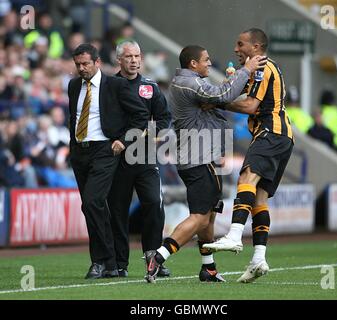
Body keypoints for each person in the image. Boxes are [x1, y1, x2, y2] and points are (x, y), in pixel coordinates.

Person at [144, 44, 266, 283]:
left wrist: (225, 88)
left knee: (208, 216)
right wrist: (246, 70)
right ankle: (158, 257)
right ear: (193, 64)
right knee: (200, 217)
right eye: (206, 60)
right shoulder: (190, 83)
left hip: (197, 159)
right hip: (199, 160)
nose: (210, 63)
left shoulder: (186, 84)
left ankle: (208, 268)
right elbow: (223, 96)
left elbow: (217, 96)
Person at [204, 28, 294, 284]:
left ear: (256, 47)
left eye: (240, 43)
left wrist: (218, 102)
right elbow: (245, 97)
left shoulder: (264, 68)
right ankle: (258, 258)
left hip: (271, 132)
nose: (236, 48)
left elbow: (251, 106)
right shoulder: (259, 70)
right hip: (281, 136)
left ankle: (234, 235)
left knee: (246, 177)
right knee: (259, 199)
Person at [68, 43, 147, 279]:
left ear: (97, 62)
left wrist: (123, 140)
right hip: (79, 151)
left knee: (92, 202)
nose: (81, 68)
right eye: (78, 65)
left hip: (104, 150)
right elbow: (73, 116)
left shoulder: (115, 85)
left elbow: (141, 115)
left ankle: (100, 261)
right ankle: (110, 263)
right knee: (91, 206)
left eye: (85, 64)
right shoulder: (73, 86)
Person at [107, 40, 172, 278]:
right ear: (119, 60)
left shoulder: (150, 87)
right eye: (128, 57)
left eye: (137, 56)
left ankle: (154, 259)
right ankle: (118, 263)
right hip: (117, 158)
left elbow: (164, 118)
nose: (134, 61)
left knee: (154, 203)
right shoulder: (109, 86)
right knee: (117, 210)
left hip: (144, 157)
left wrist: (157, 134)